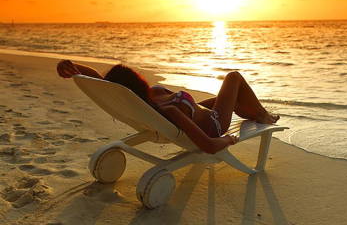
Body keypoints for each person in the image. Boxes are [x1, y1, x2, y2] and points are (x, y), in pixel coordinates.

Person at [56, 60, 279, 154]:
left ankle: (251, 111)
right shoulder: (167, 110)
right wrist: (228, 139)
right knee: (233, 77)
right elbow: (209, 146)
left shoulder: (143, 102)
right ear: (137, 81)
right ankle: (263, 115)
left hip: (197, 112)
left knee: (237, 102)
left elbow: (101, 81)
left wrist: (73, 67)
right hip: (214, 123)